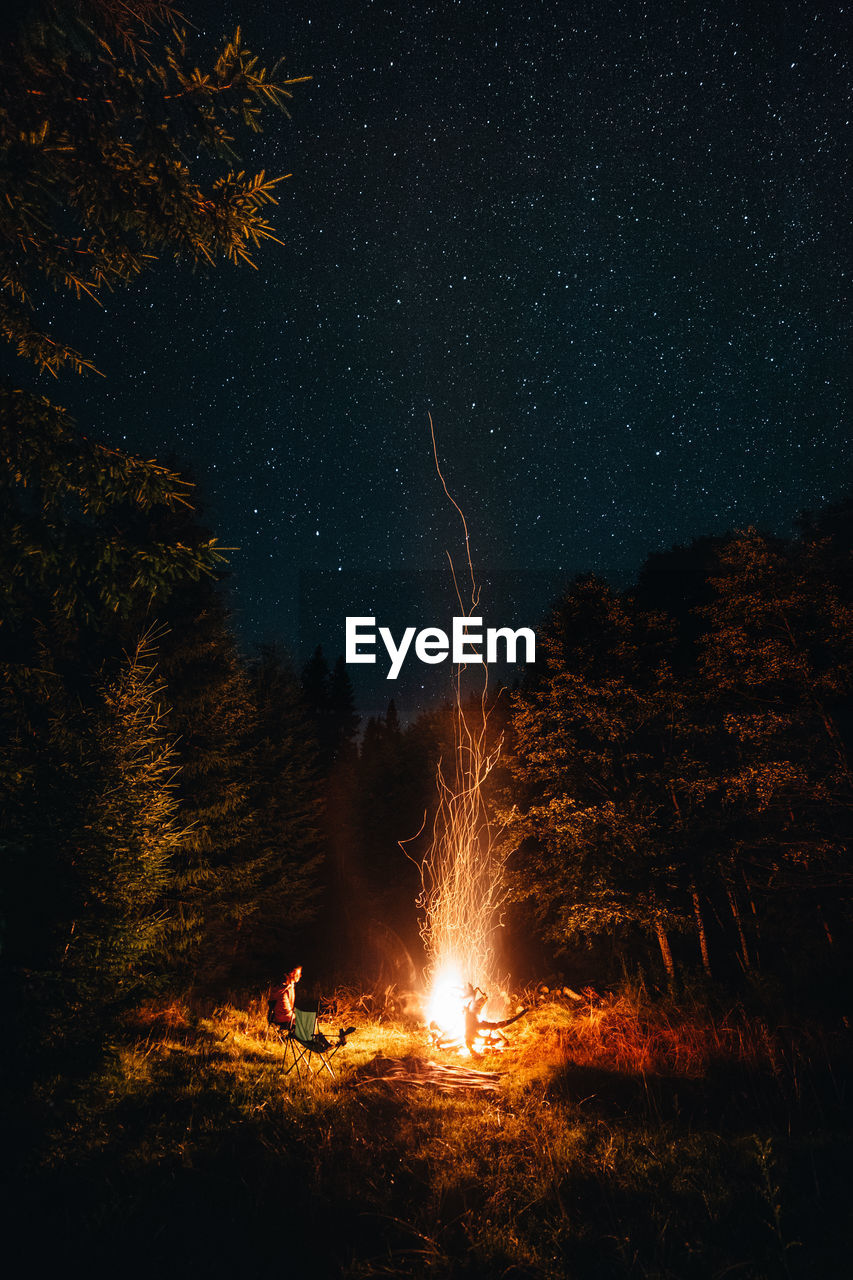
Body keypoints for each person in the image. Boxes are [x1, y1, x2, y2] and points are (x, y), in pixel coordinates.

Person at [269, 964, 302, 1032]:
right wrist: (295, 1017)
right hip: (284, 1020)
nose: (300, 976)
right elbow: (285, 1012)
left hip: (276, 1018)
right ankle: (310, 1040)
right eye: (298, 974)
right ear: (292, 973)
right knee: (310, 1021)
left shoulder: (284, 987)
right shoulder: (285, 990)